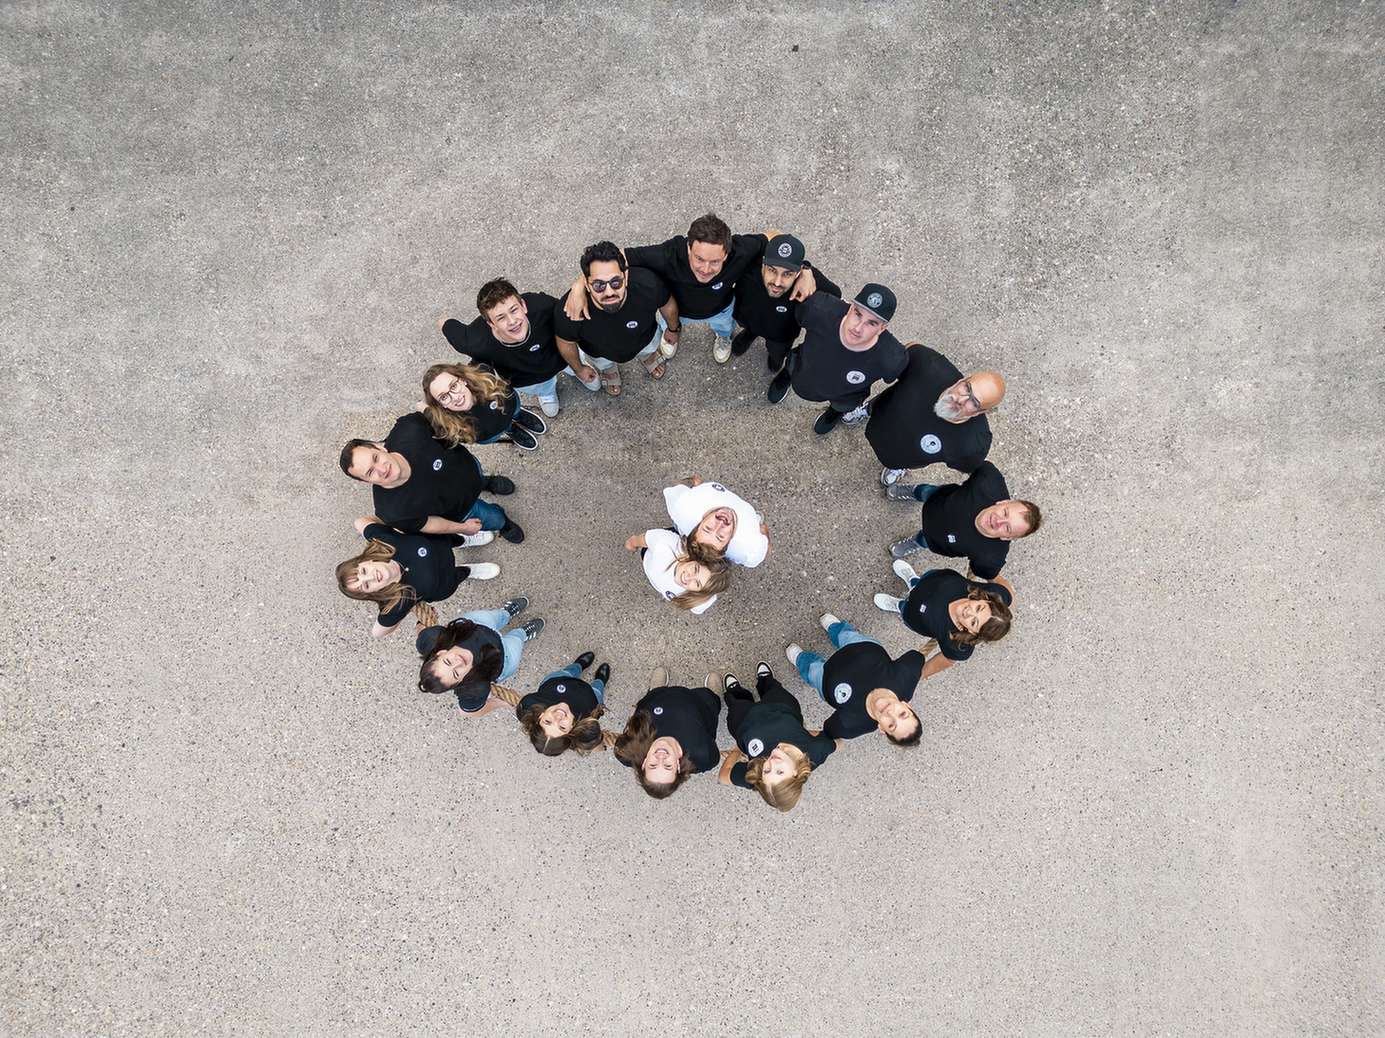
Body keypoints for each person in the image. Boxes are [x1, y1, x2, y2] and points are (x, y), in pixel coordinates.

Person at [562, 214, 815, 364]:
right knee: (670, 324)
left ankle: (723, 338)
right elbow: (617, 258)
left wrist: (804, 269)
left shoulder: (742, 248)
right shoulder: (667, 254)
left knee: (724, 328)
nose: (706, 269)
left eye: (715, 261)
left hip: (721, 308)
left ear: (727, 253)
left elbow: (774, 236)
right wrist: (578, 285)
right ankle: (674, 332)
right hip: (678, 310)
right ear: (688, 248)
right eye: (699, 259)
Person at [339, 412, 525, 543]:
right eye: (370, 472)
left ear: (379, 447)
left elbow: (436, 416)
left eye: (375, 458)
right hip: (464, 510)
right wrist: (463, 528)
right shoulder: (391, 512)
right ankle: (504, 525)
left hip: (469, 470)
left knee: (477, 478)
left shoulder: (408, 429)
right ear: (365, 481)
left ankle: (486, 482)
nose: (381, 469)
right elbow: (428, 524)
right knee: (494, 518)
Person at [767, 283, 908, 435]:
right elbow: (799, 314)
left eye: (871, 323)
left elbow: (896, 374)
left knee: (844, 404)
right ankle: (786, 378)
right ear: (850, 307)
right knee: (793, 365)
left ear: (882, 328)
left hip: (844, 394)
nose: (858, 328)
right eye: (858, 314)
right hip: (803, 366)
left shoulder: (890, 359)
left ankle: (833, 414)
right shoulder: (819, 309)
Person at [336, 516, 500, 637]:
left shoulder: (384, 541)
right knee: (458, 576)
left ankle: (464, 540)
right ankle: (469, 570)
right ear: (372, 592)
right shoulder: (399, 600)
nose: (371, 578)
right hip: (445, 582)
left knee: (451, 538)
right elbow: (377, 632)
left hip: (440, 542)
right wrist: (404, 611)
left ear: (366, 561)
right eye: (366, 586)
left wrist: (389, 522)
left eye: (363, 572)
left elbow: (359, 522)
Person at [865, 344, 1005, 487]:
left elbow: (967, 464)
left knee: (899, 461)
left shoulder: (973, 444)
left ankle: (897, 467)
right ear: (962, 380)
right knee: (875, 405)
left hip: (902, 457)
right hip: (879, 415)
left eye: (974, 402)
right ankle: (865, 409)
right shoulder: (928, 364)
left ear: (980, 412)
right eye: (967, 388)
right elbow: (905, 353)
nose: (961, 399)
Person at [552, 240, 680, 394]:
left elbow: (667, 304)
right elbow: (565, 341)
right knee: (604, 363)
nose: (608, 292)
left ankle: (649, 356)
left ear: (625, 276)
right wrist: (578, 369)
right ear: (586, 284)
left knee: (650, 348)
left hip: (647, 338)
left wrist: (673, 329)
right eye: (599, 285)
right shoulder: (570, 310)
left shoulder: (648, 285)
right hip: (600, 354)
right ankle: (608, 369)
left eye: (615, 282)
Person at [785, 612, 924, 745]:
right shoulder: (907, 677)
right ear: (907, 705)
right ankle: (835, 628)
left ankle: (801, 659)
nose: (891, 713)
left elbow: (830, 728)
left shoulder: (851, 725)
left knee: (812, 669)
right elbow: (916, 658)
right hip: (859, 645)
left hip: (824, 679)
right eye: (902, 714)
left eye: (891, 725)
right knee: (846, 635)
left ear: (882, 729)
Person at [886, 461, 1042, 579]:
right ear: (1003, 502)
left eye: (1007, 528)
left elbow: (986, 574)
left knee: (924, 540)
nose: (998, 521)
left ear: (1007, 538)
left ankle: (916, 542)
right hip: (937, 499)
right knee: (925, 492)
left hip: (937, 540)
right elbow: (968, 459)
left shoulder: (991, 558)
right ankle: (914, 492)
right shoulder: (989, 480)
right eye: (1005, 512)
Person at [441, 279, 571, 418]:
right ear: (491, 324)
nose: (512, 321)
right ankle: (546, 393)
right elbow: (445, 324)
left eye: (514, 310)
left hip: (562, 354)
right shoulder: (475, 342)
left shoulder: (543, 306)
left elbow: (567, 315)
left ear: (523, 306)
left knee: (573, 357)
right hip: (527, 379)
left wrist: (577, 365)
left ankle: (577, 369)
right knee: (542, 387)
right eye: (501, 318)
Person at [716, 665, 838, 812]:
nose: (772, 763)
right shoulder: (814, 753)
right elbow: (836, 743)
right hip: (781, 706)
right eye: (780, 772)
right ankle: (765, 681)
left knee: (737, 703)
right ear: (795, 774)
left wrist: (736, 752)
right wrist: (805, 732)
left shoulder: (755, 776)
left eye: (767, 771)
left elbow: (724, 777)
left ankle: (736, 692)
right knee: (773, 690)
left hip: (744, 721)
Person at [874, 562, 1014, 680]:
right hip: (935, 579)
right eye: (978, 608)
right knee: (921, 582)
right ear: (985, 600)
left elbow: (947, 660)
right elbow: (1009, 593)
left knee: (906, 609)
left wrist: (919, 676)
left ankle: (899, 605)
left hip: (915, 615)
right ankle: (913, 580)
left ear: (972, 632)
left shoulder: (959, 646)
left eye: (973, 622)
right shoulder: (998, 594)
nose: (969, 612)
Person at [416, 597, 545, 716]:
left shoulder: (431, 638)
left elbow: (422, 630)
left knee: (497, 616)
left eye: (448, 661)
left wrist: (422, 619)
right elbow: (466, 712)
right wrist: (501, 703)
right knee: (516, 639)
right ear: (460, 681)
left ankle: (506, 613)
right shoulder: (474, 688)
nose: (458, 663)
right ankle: (522, 633)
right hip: (505, 657)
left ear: (441, 653)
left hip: (478, 624)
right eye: (456, 674)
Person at [731, 233, 841, 372]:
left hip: (780, 336)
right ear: (764, 263)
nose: (777, 282)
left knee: (776, 356)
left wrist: (809, 271)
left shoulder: (806, 283)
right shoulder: (748, 265)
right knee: (750, 329)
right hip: (750, 321)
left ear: (797, 273)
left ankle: (775, 360)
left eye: (787, 274)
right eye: (772, 270)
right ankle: (749, 335)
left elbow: (836, 294)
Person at [612, 668, 723, 799]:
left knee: (654, 696)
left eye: (653, 765)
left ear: (644, 763)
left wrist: (655, 694)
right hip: (700, 703)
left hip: (658, 699)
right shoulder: (703, 755)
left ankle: (656, 689)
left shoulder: (628, 749)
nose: (661, 758)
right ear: (677, 767)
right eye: (668, 766)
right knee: (711, 700)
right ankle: (713, 694)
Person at [421, 361, 547, 452]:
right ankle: (511, 429)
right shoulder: (448, 425)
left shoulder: (483, 373)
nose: (455, 397)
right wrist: (422, 408)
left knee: (515, 411)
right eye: (443, 397)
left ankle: (519, 416)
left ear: (462, 380)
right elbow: (428, 412)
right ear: (441, 405)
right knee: (502, 429)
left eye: (453, 386)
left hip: (510, 406)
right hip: (490, 434)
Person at [515, 653, 612, 757]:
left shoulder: (530, 705)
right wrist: (595, 744)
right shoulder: (585, 722)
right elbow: (591, 737)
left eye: (547, 721)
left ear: (540, 716)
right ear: (572, 730)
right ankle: (600, 680)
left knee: (570, 671)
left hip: (560, 680)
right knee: (597, 689)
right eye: (562, 727)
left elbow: (523, 710)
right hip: (591, 696)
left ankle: (579, 665)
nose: (558, 717)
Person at [662, 476, 769, 568]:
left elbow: (679, 491)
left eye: (707, 528)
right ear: (728, 544)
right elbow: (765, 549)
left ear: (698, 524)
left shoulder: (684, 505)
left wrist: (699, 487)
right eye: (720, 537)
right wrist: (761, 529)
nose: (720, 524)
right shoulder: (749, 548)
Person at [624, 529, 730, 614]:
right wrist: (632, 543)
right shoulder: (664, 544)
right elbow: (645, 539)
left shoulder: (701, 602)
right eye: (695, 569)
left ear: (701, 592)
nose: (688, 578)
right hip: (649, 554)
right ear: (694, 558)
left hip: (651, 568)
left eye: (697, 583)